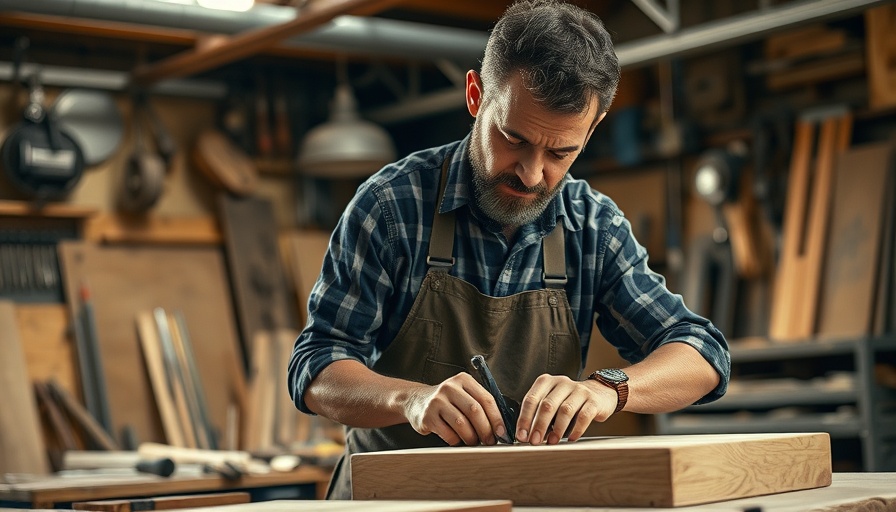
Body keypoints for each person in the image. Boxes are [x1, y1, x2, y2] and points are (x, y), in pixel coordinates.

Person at [289, 0, 730, 499]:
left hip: (523, 500)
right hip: (387, 502)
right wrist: (409, 400)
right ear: (476, 95)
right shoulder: (390, 207)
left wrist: (607, 389)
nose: (532, 173)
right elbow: (316, 365)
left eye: (560, 152)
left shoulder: (593, 227)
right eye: (513, 139)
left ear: (594, 127)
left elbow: (703, 353)